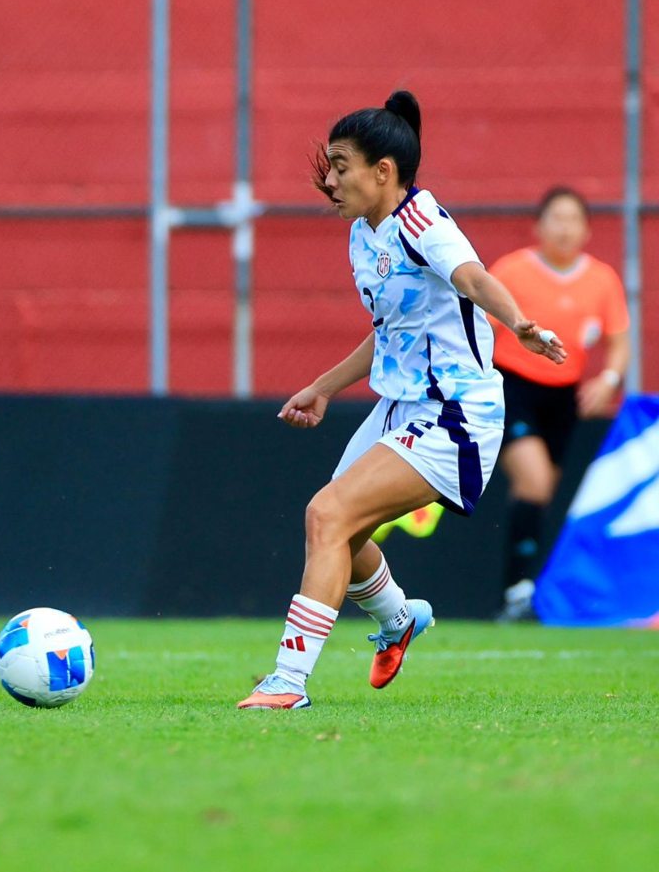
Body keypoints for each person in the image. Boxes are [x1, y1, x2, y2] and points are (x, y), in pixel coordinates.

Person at [237, 90, 566, 711]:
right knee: (343, 531)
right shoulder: (365, 232)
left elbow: (470, 277)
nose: (329, 180)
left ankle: (287, 681)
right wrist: (324, 387)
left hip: (456, 414)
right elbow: (390, 330)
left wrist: (519, 323)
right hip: (401, 407)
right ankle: (399, 620)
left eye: (340, 166)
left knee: (326, 516)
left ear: (382, 171)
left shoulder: (423, 224)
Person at [489, 187, 631, 621]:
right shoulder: (512, 271)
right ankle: (518, 589)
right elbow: (474, 323)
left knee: (542, 490)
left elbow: (619, 340)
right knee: (533, 481)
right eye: (556, 218)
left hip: (563, 397)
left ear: (587, 230)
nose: (565, 228)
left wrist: (608, 379)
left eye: (574, 219)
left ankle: (519, 589)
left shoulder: (601, 278)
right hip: (511, 384)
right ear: (539, 225)